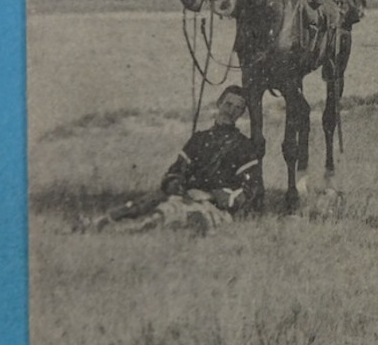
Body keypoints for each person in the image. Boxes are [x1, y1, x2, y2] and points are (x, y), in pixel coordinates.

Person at [80, 85, 262, 234]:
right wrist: (179, 188)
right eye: (228, 104)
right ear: (219, 103)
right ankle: (100, 222)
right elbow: (175, 171)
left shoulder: (244, 147)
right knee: (152, 200)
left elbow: (249, 189)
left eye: (238, 108)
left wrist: (214, 195)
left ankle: (124, 232)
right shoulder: (199, 139)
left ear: (242, 113)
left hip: (214, 207)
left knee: (169, 216)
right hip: (186, 196)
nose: (231, 111)